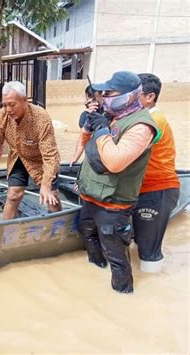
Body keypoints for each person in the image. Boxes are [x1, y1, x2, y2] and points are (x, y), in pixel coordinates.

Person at [77, 71, 159, 293]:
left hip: (113, 204)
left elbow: (115, 162)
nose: (104, 96)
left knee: (116, 256)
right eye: (102, 92)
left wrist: (102, 128)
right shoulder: (112, 114)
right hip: (90, 195)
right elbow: (84, 146)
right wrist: (89, 123)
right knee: (87, 233)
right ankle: (95, 268)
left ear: (130, 96)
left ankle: (122, 296)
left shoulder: (141, 126)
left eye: (109, 93)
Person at [0, 81, 62, 219]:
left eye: (12, 104)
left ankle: (60, 226)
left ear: (24, 100)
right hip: (18, 157)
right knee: (13, 195)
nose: (8, 109)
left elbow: (49, 156)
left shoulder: (41, 118)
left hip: (41, 159)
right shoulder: (2, 116)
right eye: (4, 105)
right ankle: (5, 232)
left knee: (52, 195)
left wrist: (45, 185)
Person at [132, 73, 180, 273]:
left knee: (149, 252)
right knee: (140, 242)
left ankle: (150, 297)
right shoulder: (145, 118)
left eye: (135, 94)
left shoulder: (154, 121)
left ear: (149, 97)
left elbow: (129, 153)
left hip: (157, 190)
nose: (130, 99)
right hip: (146, 189)